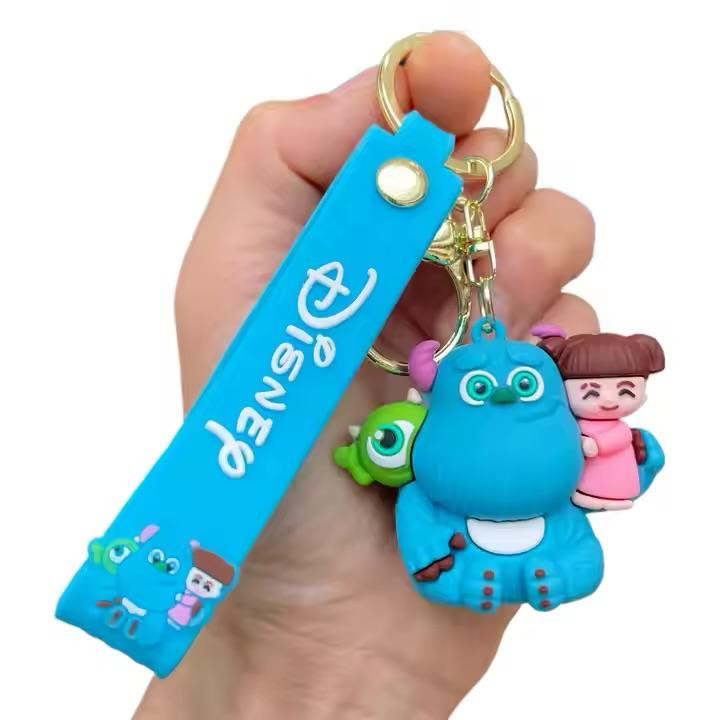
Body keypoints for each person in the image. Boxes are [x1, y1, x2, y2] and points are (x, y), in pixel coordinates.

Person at [136, 31, 597, 719]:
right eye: (478, 389)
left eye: (526, 386)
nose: (503, 390)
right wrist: (291, 640)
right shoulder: (422, 461)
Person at [538, 332, 665, 510]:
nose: (609, 400)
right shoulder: (571, 423)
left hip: (615, 478)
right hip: (579, 484)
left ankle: (612, 497)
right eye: (592, 393)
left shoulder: (621, 428)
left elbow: (611, 441)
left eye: (625, 392)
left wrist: (593, 444)